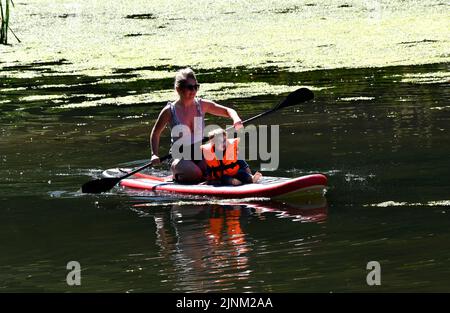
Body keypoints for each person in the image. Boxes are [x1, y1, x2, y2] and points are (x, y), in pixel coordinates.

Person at [150, 68, 244, 183]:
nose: (194, 90)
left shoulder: (202, 105)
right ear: (178, 89)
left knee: (221, 166)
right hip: (180, 156)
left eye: (196, 87)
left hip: (200, 152)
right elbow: (155, 133)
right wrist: (154, 154)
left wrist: (236, 119)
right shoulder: (169, 111)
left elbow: (229, 111)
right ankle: (177, 174)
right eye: (190, 87)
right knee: (196, 174)